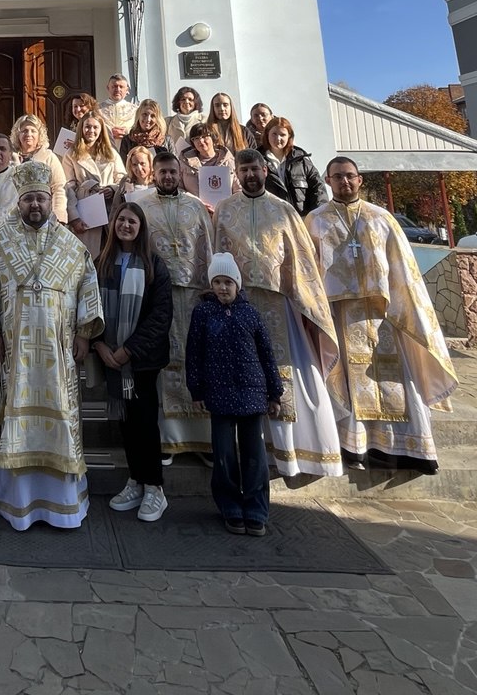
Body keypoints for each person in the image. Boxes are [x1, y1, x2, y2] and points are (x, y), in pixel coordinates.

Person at [0, 161, 103, 530]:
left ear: (49, 200)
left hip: (58, 351)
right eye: (29, 200)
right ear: (20, 202)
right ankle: (18, 504)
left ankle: (64, 505)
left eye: (41, 198)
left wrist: (84, 333)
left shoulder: (70, 244)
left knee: (61, 415)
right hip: (15, 353)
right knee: (16, 417)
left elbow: (87, 286)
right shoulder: (0, 243)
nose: (36, 205)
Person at [306, 157, 458, 473]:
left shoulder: (381, 218)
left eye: (350, 176)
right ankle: (355, 446)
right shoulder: (316, 221)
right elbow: (309, 270)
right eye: (338, 177)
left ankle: (407, 448)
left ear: (360, 179)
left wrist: (406, 307)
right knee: (345, 379)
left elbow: (404, 268)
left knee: (395, 378)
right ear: (327, 180)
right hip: (340, 314)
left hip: (382, 314)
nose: (344, 182)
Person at [214, 149, 345, 477]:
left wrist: (305, 301)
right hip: (239, 305)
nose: (250, 175)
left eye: (254, 169)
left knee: (283, 373)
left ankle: (289, 450)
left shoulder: (284, 210)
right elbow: (216, 254)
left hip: (278, 303)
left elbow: (301, 259)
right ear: (237, 174)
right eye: (243, 170)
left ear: (264, 170)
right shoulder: (225, 210)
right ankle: (250, 447)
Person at [185, 253, 283, 536]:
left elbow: (266, 354)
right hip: (219, 394)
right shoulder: (203, 313)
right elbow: (194, 354)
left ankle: (256, 510)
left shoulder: (250, 313)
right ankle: (230, 507)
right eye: (217, 282)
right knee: (224, 455)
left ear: (237, 284)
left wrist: (274, 393)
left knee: (254, 456)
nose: (222, 287)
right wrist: (196, 390)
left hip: (251, 394)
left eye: (228, 282)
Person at [94, 203, 172, 522]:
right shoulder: (102, 262)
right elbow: (90, 306)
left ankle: (154, 487)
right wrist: (100, 344)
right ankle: (136, 480)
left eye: (132, 221)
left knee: (144, 422)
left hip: (141, 361)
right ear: (113, 224)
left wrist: (129, 349)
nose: (125, 225)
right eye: (121, 220)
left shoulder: (154, 264)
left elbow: (160, 315)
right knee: (126, 424)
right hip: (111, 357)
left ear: (141, 227)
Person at [135, 151, 215, 458]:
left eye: (172, 172)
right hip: (159, 295)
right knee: (164, 362)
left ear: (180, 173)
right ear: (153, 174)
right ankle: (168, 440)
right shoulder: (142, 206)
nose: (168, 176)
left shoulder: (195, 206)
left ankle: (203, 439)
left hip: (194, 295)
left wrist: (210, 287)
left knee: (198, 357)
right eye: (163, 172)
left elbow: (208, 247)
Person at [63, 110, 126, 256]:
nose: (91, 131)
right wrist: (74, 217)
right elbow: (68, 187)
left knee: (110, 254)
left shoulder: (111, 153)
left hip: (110, 208)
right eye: (87, 127)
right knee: (89, 255)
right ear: (81, 128)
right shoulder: (71, 154)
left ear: (101, 129)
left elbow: (122, 179)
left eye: (95, 127)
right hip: (86, 210)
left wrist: (112, 188)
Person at [261, 117, 325, 216]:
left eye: (282, 135)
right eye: (274, 134)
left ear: (289, 136)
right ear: (267, 134)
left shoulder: (301, 161)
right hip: (271, 219)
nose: (278, 138)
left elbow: (318, 189)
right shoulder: (257, 160)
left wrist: (316, 216)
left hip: (301, 219)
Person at [9, 114, 68, 223]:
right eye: (24, 131)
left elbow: (59, 187)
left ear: (40, 134)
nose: (29, 134)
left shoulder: (49, 157)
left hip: (43, 216)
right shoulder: (10, 157)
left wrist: (58, 214)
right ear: (17, 134)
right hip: (14, 217)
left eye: (33, 131)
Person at [179, 122, 238, 206]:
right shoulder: (184, 162)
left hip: (225, 209)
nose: (200, 141)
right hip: (194, 209)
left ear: (213, 138)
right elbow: (179, 189)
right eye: (196, 138)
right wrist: (197, 202)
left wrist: (227, 205)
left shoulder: (229, 161)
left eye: (204, 136)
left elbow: (238, 189)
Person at [118, 99, 166, 164]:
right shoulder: (127, 140)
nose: (148, 119)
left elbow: (173, 164)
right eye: (144, 114)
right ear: (139, 116)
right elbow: (123, 165)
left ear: (157, 118)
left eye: (152, 116)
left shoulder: (165, 140)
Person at [205, 92, 249, 158]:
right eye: (217, 105)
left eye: (225, 105)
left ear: (231, 107)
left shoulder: (244, 131)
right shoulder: (205, 131)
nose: (222, 109)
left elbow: (253, 155)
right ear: (213, 108)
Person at [97, 73, 137, 142]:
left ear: (127, 90)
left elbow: (140, 128)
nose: (117, 89)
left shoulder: (135, 109)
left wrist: (127, 131)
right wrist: (109, 131)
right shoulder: (97, 109)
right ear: (108, 88)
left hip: (128, 145)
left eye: (121, 87)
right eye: (114, 86)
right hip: (105, 145)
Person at [164, 87, 204, 152]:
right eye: (183, 99)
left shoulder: (204, 120)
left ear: (196, 102)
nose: (186, 102)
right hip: (175, 157)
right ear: (178, 102)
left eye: (190, 99)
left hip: (197, 157)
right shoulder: (168, 122)